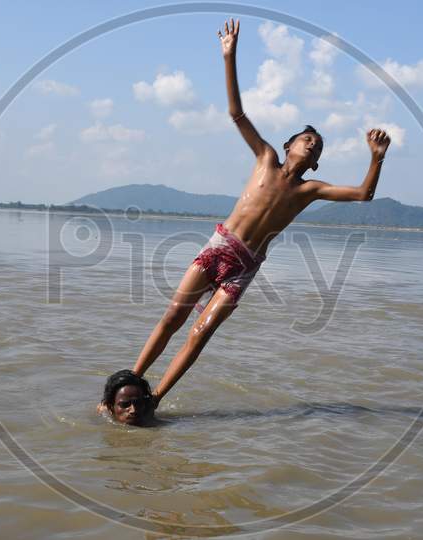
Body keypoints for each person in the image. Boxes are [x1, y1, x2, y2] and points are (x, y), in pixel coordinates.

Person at [109, 20, 391, 413]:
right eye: (306, 139)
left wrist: (376, 159)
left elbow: (364, 193)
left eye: (317, 145)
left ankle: (155, 399)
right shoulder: (265, 158)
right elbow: (237, 113)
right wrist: (229, 55)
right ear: (288, 144)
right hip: (220, 245)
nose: (311, 145)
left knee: (201, 332)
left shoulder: (310, 190)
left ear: (316, 161)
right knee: (174, 314)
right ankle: (128, 383)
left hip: (244, 266)